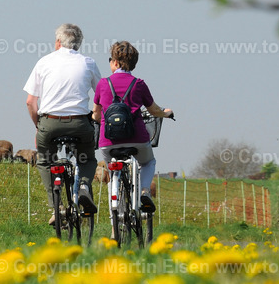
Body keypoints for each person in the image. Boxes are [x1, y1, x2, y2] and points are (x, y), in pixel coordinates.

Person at [24, 23, 101, 224]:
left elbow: (30, 102)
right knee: (87, 159)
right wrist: (95, 116)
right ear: (78, 44)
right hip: (80, 124)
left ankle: (56, 207)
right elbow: (102, 96)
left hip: (49, 123)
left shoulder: (43, 62)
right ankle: (84, 186)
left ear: (58, 42)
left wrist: (38, 126)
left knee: (44, 160)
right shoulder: (88, 63)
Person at [92, 41, 173, 213]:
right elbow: (154, 110)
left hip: (108, 142)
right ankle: (144, 191)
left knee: (112, 172)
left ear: (114, 62)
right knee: (149, 162)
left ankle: (115, 226)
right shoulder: (139, 84)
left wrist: (97, 119)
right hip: (137, 140)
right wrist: (166, 113)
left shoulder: (103, 84)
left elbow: (96, 115)